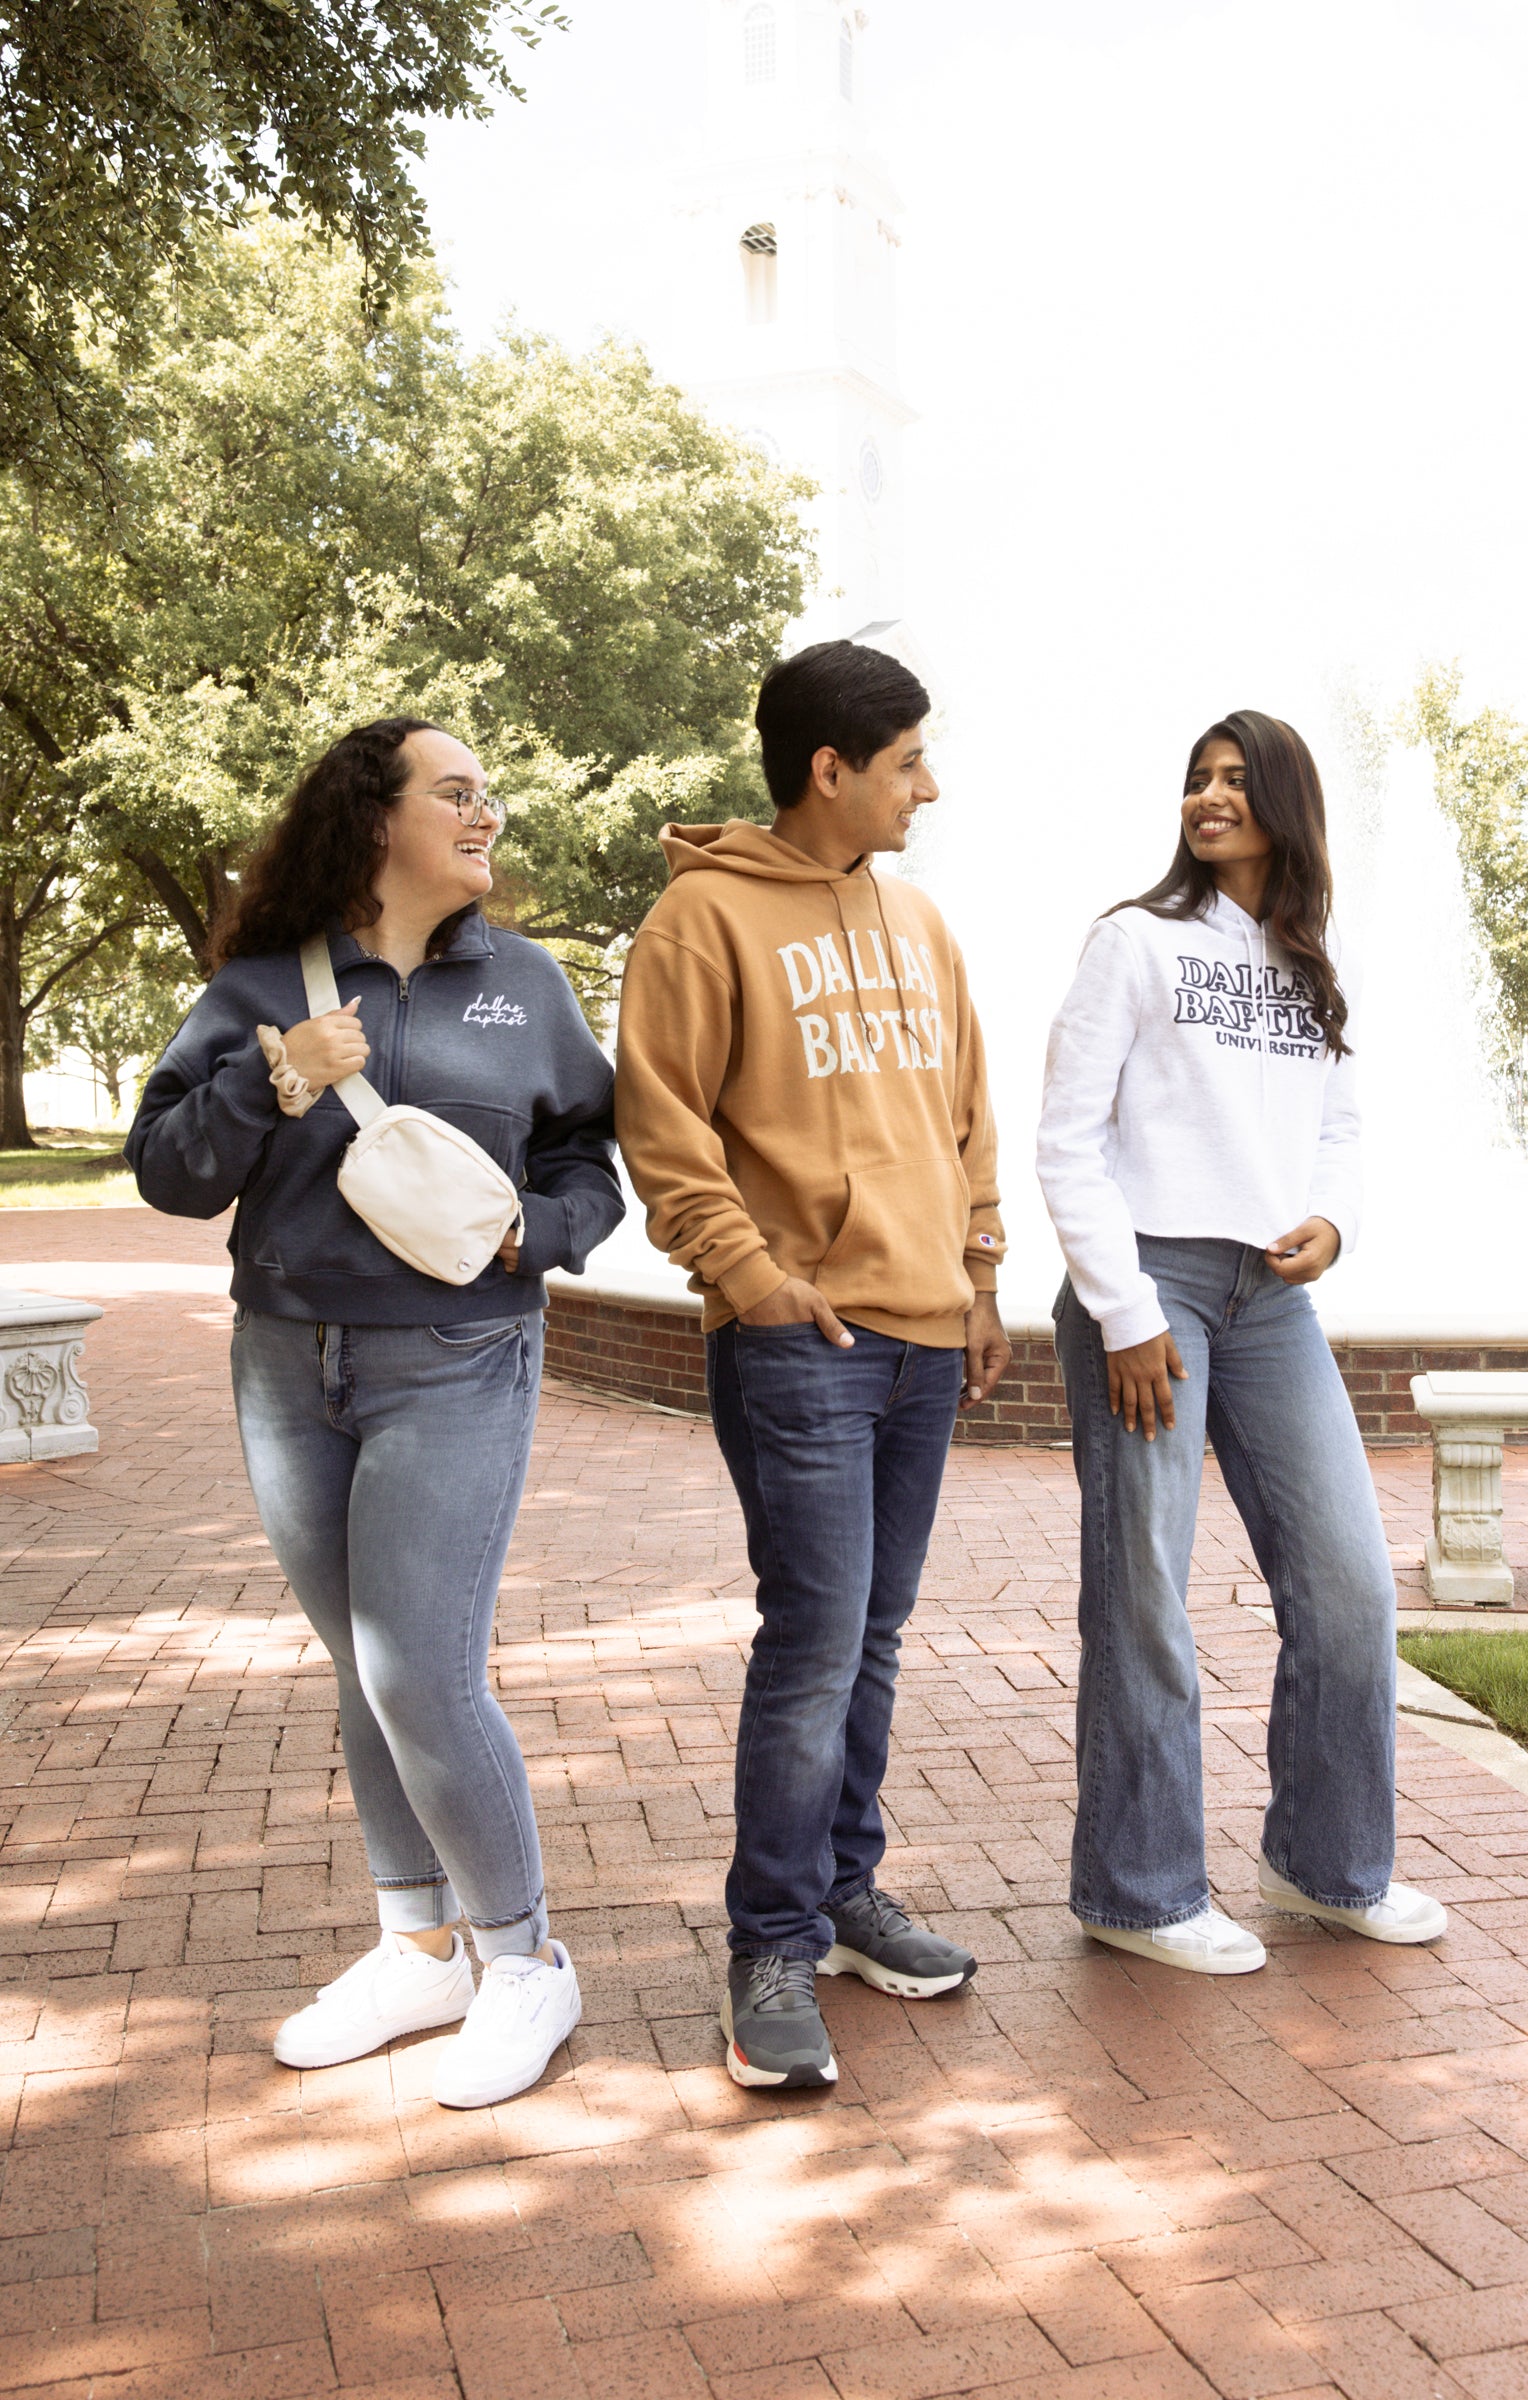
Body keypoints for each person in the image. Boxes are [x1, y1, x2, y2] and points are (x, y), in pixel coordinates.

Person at [126, 715, 624, 2103]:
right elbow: (170, 1171)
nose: (488, 817)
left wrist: (537, 1231)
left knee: (421, 1669)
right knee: (361, 1666)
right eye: (458, 793)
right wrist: (274, 1076)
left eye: (491, 792)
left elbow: (595, 1155)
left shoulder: (524, 984)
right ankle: (421, 1947)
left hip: (458, 1353)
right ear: (376, 818)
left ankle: (526, 1960)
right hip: (288, 1363)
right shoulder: (256, 987)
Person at [615, 640, 1011, 2090]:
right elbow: (662, 1129)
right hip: (803, 1344)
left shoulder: (919, 922)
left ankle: (845, 1894)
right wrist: (753, 1276)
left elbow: (967, 1108)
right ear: (830, 768)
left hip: (920, 1333)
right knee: (814, 1639)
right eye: (909, 760)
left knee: (876, 1634)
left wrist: (980, 1271)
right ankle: (769, 1941)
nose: (930, 785)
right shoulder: (700, 919)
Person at [1036, 710, 1446, 1974]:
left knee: (1348, 1585)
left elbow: (1339, 1125)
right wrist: (1123, 1311)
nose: (1207, 798)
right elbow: (1066, 1136)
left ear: (1283, 802)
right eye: (1194, 781)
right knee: (1147, 1594)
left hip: (1272, 1298)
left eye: (1232, 780)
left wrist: (1334, 1219)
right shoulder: (1134, 942)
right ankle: (1138, 1890)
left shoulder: (1320, 960)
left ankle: (1326, 1866)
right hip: (1149, 1287)